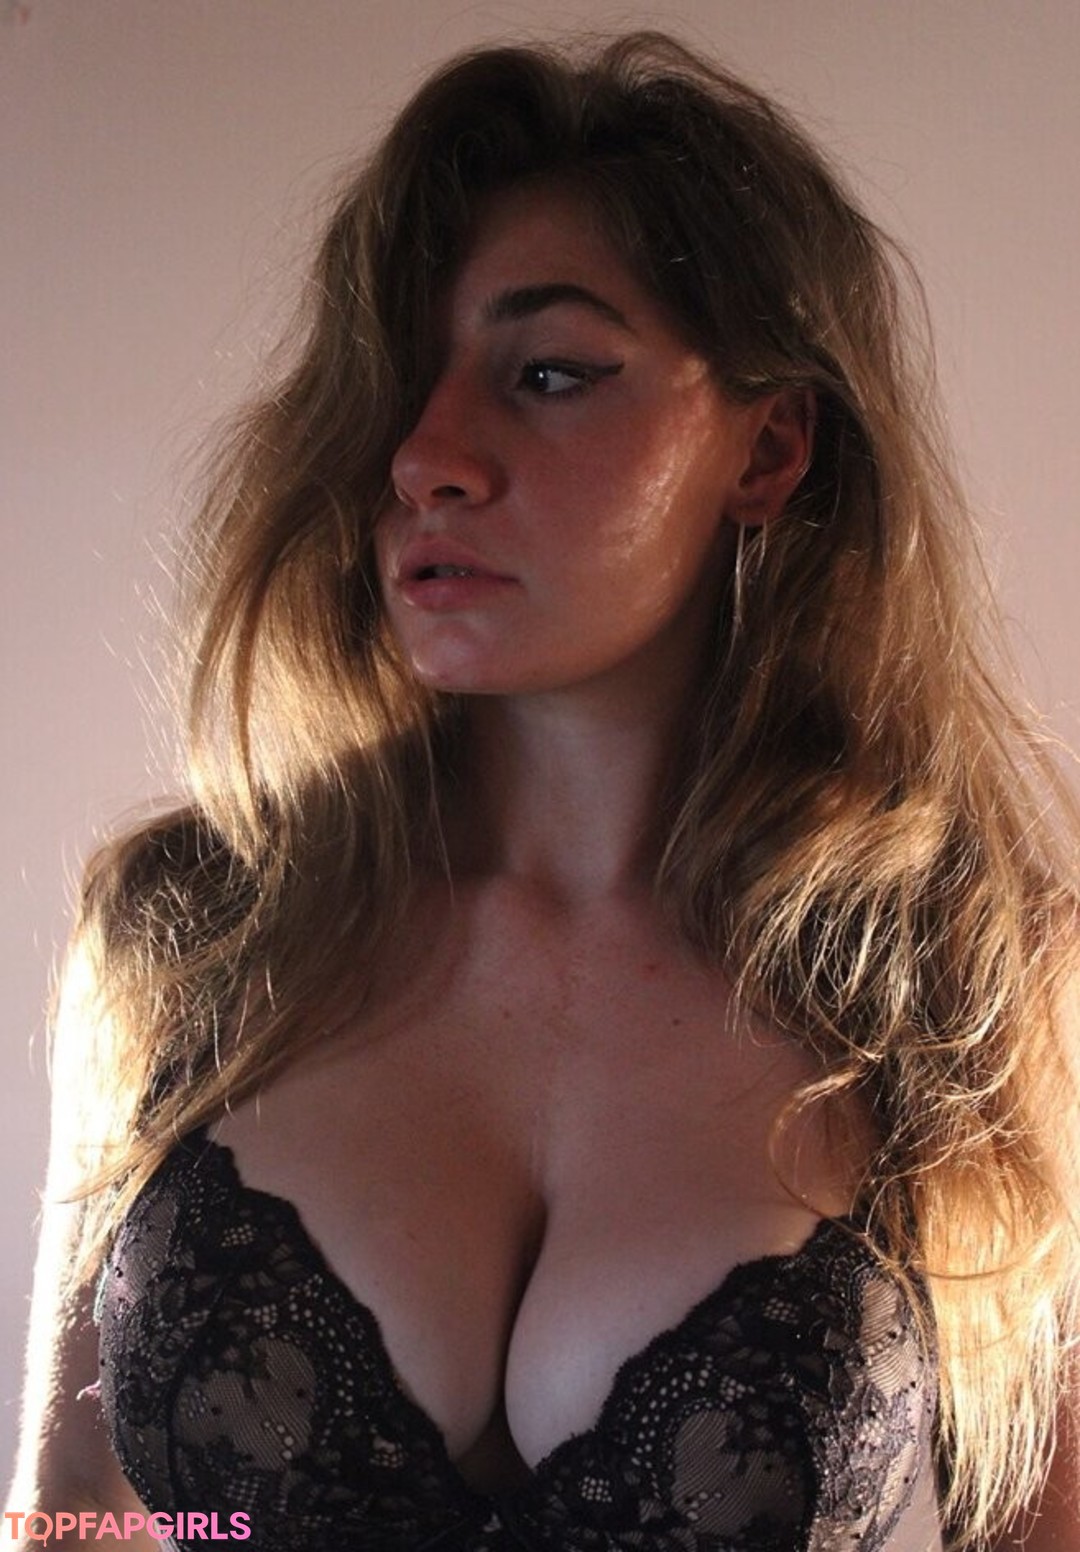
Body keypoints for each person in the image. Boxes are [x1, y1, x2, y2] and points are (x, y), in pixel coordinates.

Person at [7, 30, 1079, 1552]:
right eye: (400, 385)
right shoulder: (188, 932)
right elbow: (73, 1523)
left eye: (551, 374)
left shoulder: (973, 980)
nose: (427, 458)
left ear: (770, 448)